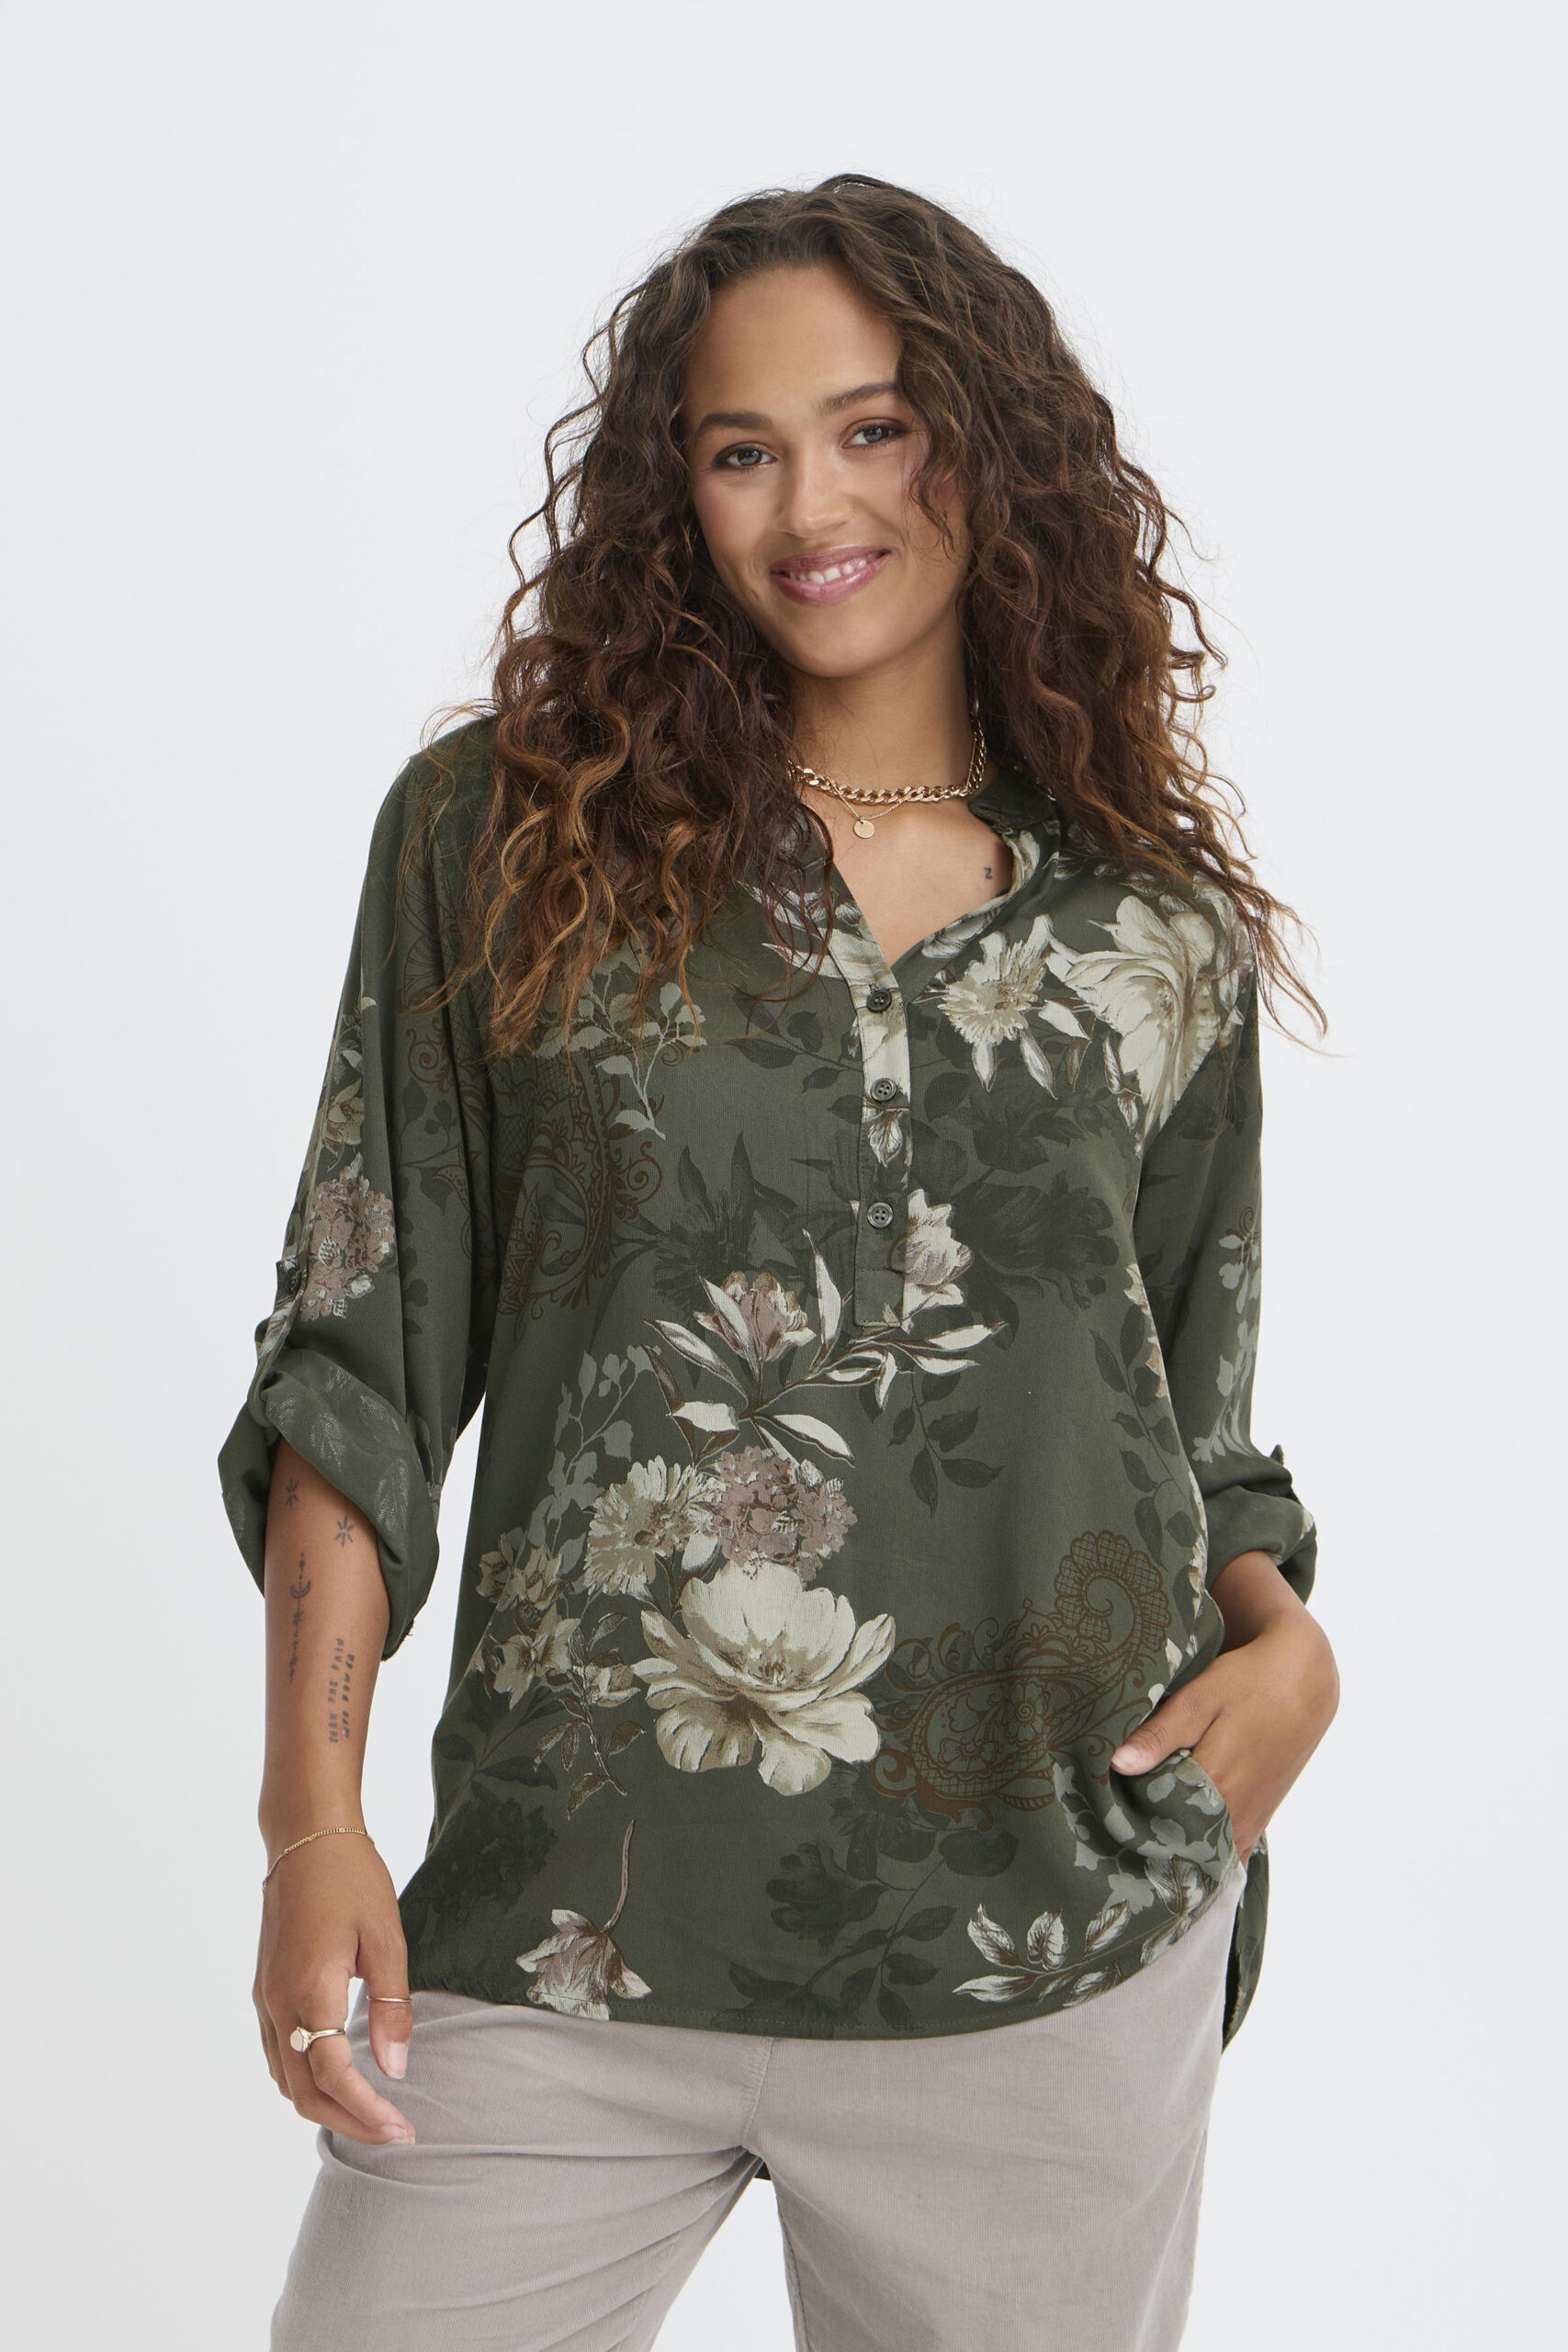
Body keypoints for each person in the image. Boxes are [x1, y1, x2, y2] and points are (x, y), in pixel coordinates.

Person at [218, 172, 1339, 2352]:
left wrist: (1287, 1649)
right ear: (676, 494)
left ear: (987, 448)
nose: (811, 505)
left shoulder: (1150, 928)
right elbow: (359, 1347)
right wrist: (306, 1822)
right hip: (565, 1918)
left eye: (873, 427)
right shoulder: (502, 840)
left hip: (1042, 1940)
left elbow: (1185, 1412)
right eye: (740, 449)